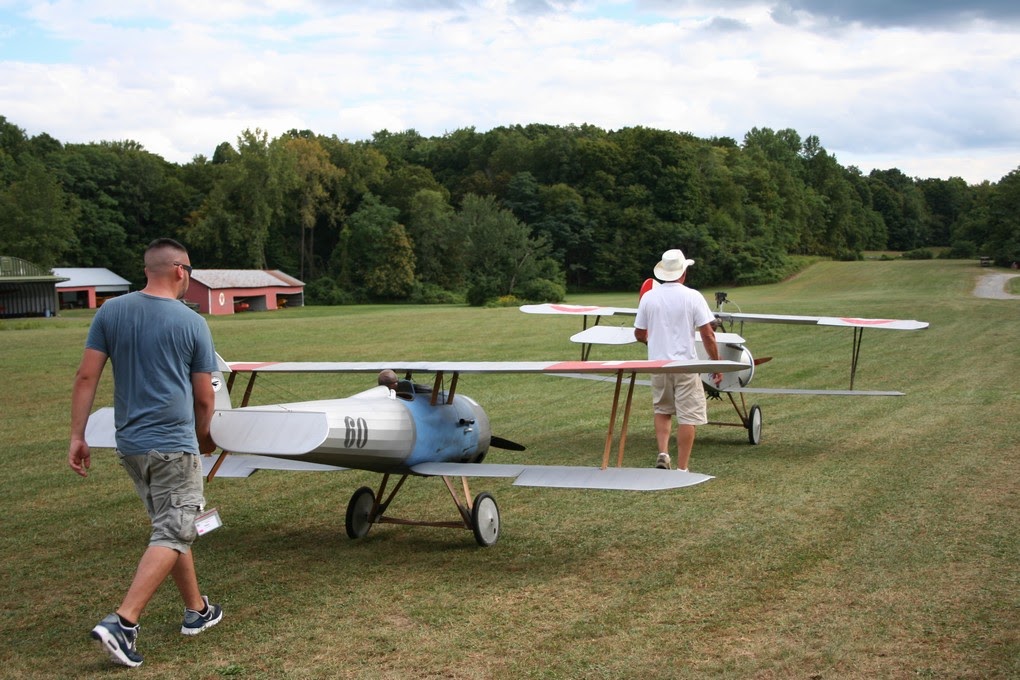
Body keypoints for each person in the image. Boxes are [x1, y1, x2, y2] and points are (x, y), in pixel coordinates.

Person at [68, 238, 223, 668]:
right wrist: (205, 436)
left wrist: (77, 436)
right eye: (189, 269)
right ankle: (124, 621)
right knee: (174, 529)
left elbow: (86, 377)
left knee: (171, 525)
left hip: (131, 446)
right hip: (174, 445)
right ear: (178, 270)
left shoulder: (110, 312)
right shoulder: (192, 322)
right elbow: (204, 398)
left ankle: (197, 610)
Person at [633, 249, 722, 472]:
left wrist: (652, 344)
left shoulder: (649, 298)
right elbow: (708, 334)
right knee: (687, 415)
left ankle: (663, 453)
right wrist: (715, 362)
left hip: (658, 365)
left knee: (662, 409)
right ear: (683, 273)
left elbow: (639, 334)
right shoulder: (693, 296)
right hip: (686, 365)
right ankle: (682, 468)